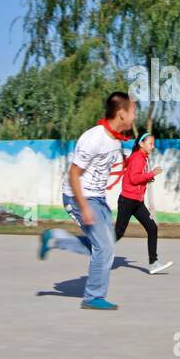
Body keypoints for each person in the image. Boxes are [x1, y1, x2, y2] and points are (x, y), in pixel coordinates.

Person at [38, 92, 137, 311]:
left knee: (104, 244)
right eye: (133, 112)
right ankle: (93, 297)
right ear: (122, 114)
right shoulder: (94, 137)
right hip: (78, 196)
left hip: (98, 198)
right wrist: (84, 208)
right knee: (104, 247)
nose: (134, 117)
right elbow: (74, 174)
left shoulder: (116, 139)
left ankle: (55, 238)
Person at [114, 132, 171, 274]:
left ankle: (154, 263)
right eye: (150, 143)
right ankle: (98, 251)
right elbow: (134, 179)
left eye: (153, 144)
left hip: (137, 202)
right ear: (141, 144)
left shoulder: (143, 158)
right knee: (118, 233)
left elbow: (137, 178)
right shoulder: (137, 158)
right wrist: (151, 174)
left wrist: (147, 178)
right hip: (127, 201)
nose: (153, 146)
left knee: (152, 228)